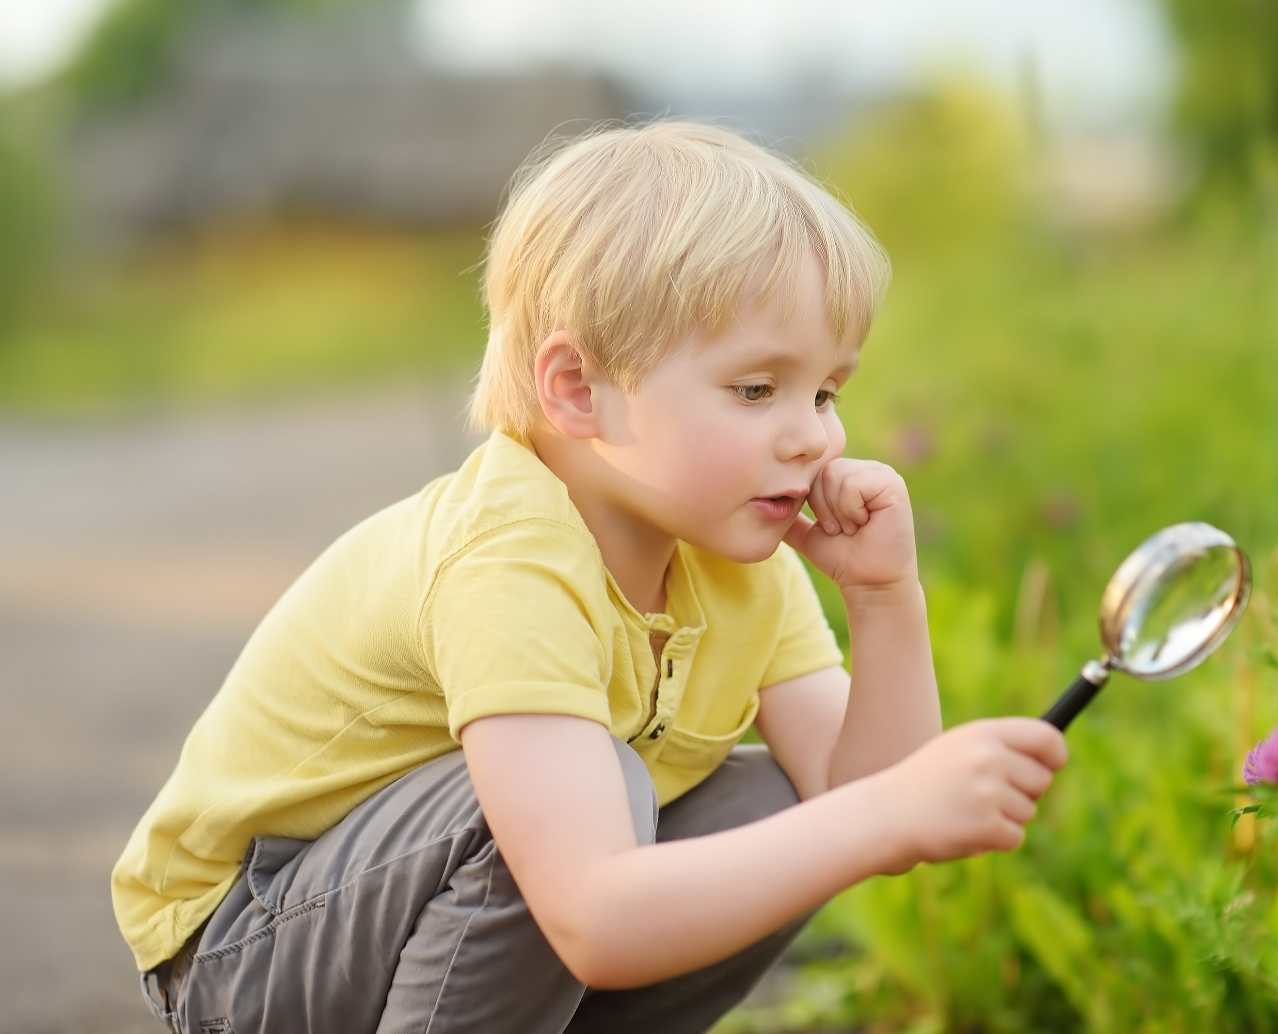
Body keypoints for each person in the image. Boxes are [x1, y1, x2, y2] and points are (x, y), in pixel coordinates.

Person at [111, 120, 1068, 1034]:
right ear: (577, 390)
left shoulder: (735, 554)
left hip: (401, 924)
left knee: (777, 810)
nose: (813, 435)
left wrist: (883, 599)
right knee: (576, 803)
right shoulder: (510, 558)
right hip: (246, 949)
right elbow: (597, 916)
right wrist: (884, 813)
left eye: (825, 391)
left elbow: (864, 799)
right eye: (755, 389)